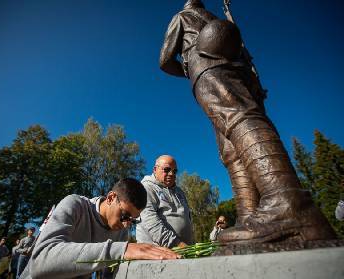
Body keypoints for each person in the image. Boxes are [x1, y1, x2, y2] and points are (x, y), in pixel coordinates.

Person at [159, 0, 336, 243]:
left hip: (204, 66)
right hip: (237, 68)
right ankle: (249, 216)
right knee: (230, 145)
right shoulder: (212, 17)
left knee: (238, 119)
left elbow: (165, 60)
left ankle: (288, 204)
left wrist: (190, 70)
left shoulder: (181, 17)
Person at [20, 178, 180, 279]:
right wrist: (121, 250)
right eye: (124, 215)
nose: (126, 225)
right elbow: (41, 261)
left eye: (132, 220)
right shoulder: (75, 205)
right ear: (111, 198)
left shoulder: (122, 232)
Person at [136, 155, 193, 248]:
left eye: (175, 171)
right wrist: (177, 244)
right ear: (155, 169)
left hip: (184, 252)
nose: (171, 174)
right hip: (157, 255)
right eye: (166, 169)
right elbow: (150, 222)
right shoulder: (146, 188)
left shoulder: (180, 192)